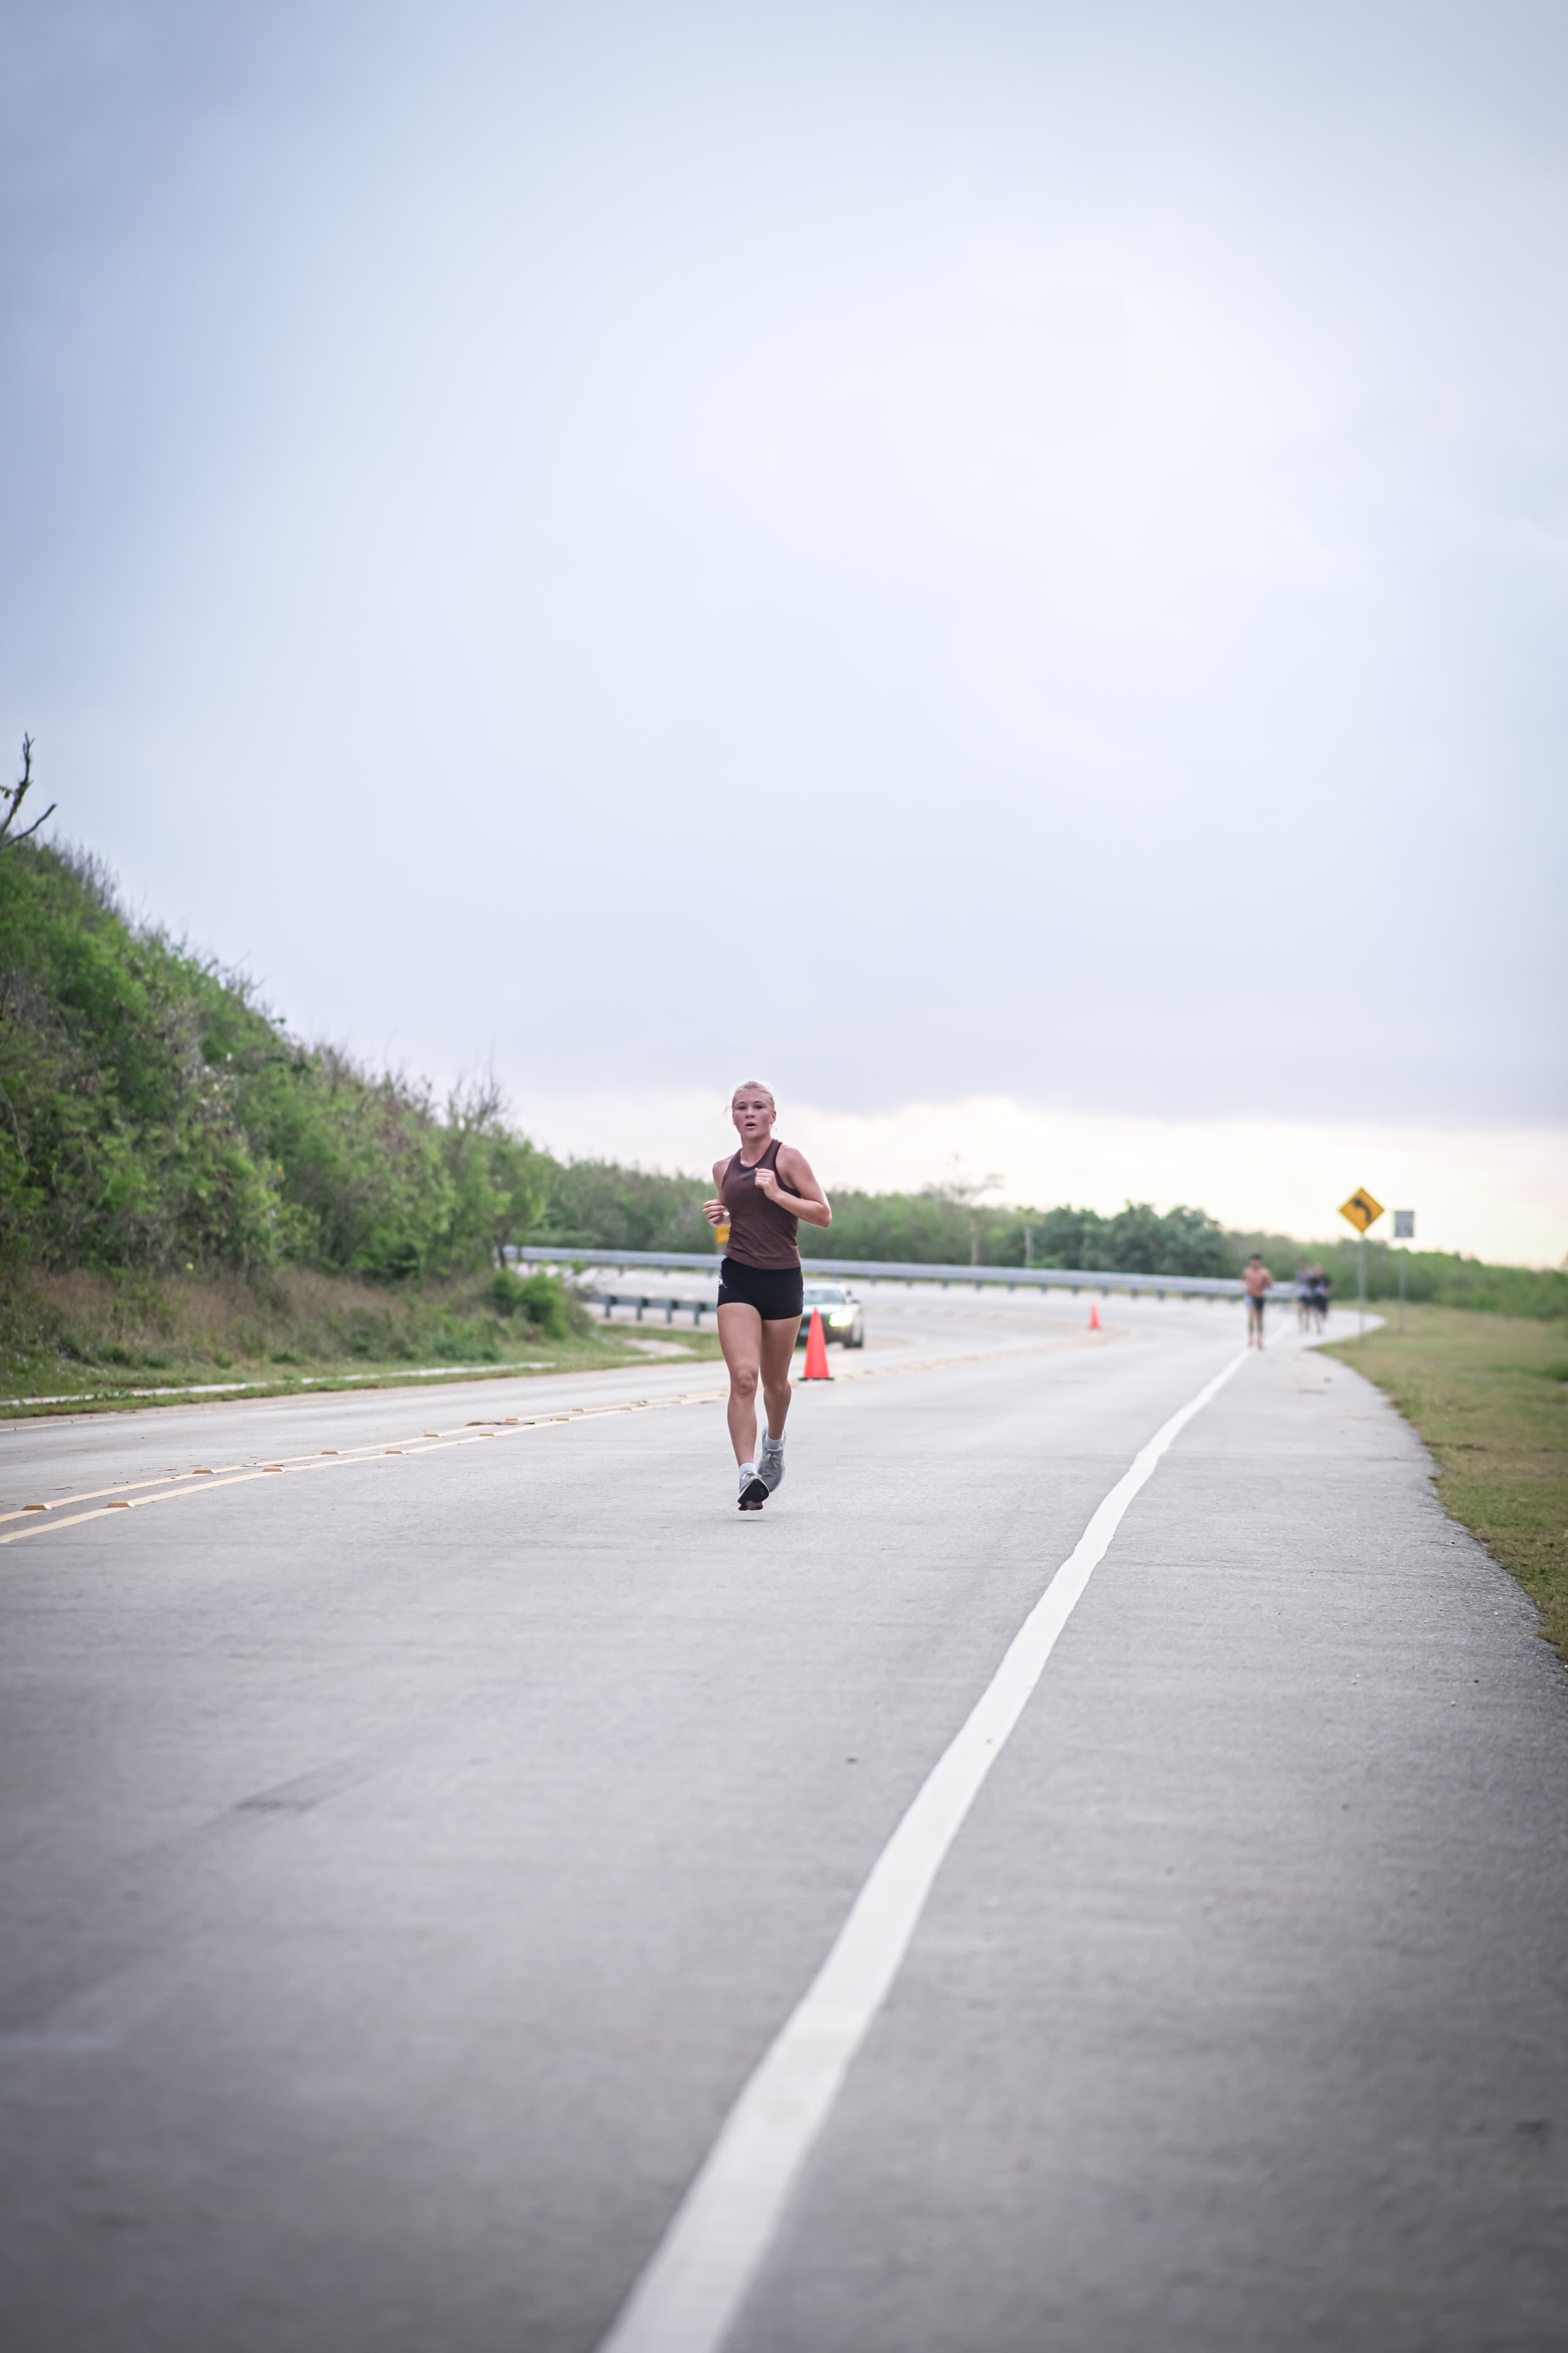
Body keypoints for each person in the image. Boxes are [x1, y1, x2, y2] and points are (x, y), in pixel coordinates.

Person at [704, 1082, 832, 1510]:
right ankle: (746, 1474)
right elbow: (731, 1224)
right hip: (738, 1277)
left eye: (758, 1107)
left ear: (772, 1116)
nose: (750, 1113)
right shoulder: (723, 1169)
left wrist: (778, 1194)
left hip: (781, 1279)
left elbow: (823, 1215)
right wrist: (719, 1217)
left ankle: (773, 1447)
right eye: (741, 1107)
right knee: (743, 1379)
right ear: (734, 1117)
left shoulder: (788, 1159)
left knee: (775, 1384)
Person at [1242, 1253, 1273, 1349]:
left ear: (1260, 1262)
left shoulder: (1265, 1272)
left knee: (1259, 1319)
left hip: (1259, 1297)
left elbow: (1270, 1284)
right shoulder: (1247, 1271)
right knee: (1250, 1317)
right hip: (1250, 1296)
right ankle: (1250, 1338)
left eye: (1257, 1261)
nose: (1255, 1263)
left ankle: (1260, 1338)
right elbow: (1243, 1282)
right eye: (1253, 1261)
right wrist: (1245, 1288)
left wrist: (1264, 1286)